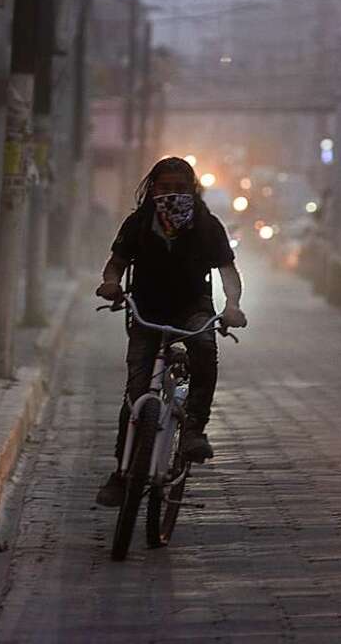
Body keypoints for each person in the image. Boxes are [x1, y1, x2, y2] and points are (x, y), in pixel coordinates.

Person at [95, 156, 248, 508]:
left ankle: (194, 429)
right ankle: (122, 473)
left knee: (205, 351)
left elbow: (228, 272)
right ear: (152, 189)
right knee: (136, 394)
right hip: (146, 312)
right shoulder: (138, 223)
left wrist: (233, 305)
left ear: (192, 191)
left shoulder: (208, 226)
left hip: (193, 309)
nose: (172, 195)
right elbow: (116, 264)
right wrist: (110, 284)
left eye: (180, 189)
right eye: (165, 188)